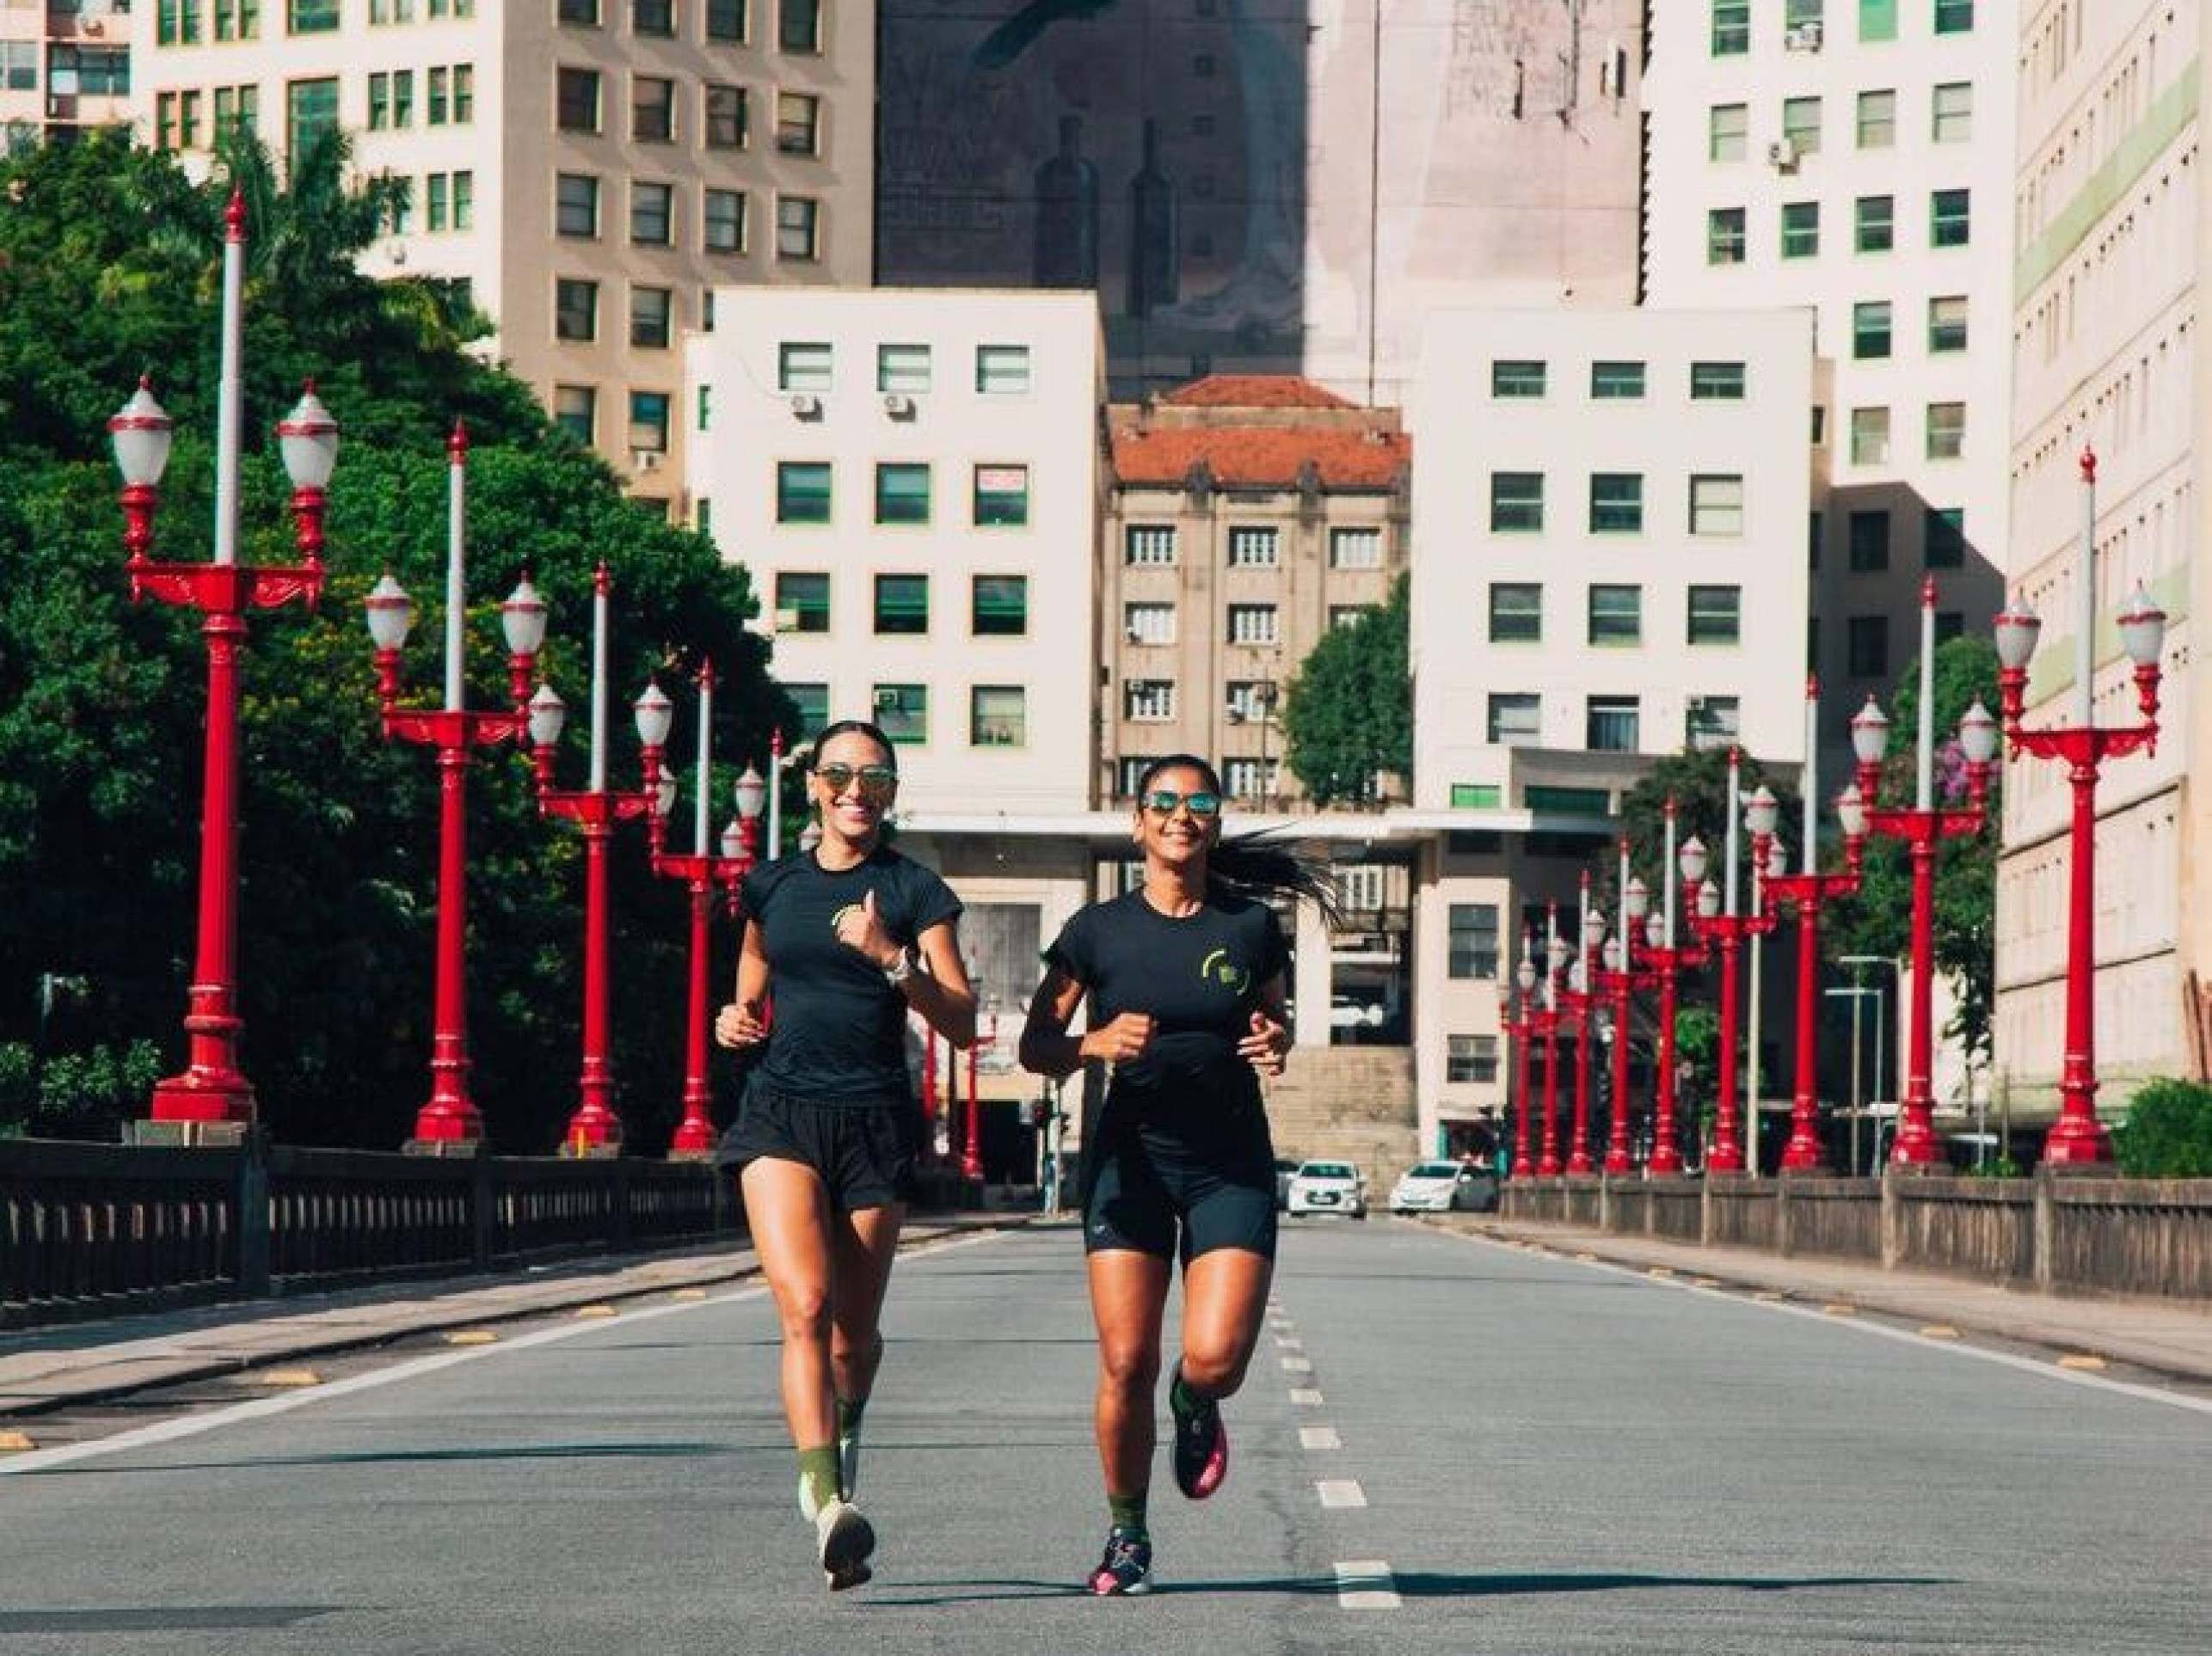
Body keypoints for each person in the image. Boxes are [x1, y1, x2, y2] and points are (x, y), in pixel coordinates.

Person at [1018, 754, 1336, 1596]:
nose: (1180, 813)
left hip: (1228, 1160)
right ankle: (1127, 1534)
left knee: (1215, 1357)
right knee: (1126, 1360)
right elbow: (1035, 1045)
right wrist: (1090, 1044)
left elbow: (1271, 1019)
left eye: (1199, 801)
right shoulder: (1096, 932)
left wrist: (1277, 1040)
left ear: (1215, 823)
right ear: (1137, 823)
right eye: (1163, 800)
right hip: (1131, 1161)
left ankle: (1194, 1406)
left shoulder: (1248, 929)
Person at [713, 721, 975, 1592]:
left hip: (873, 1124)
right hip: (780, 1115)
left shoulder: (913, 890)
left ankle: (844, 1447)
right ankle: (827, 1503)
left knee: (852, 1338)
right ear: (814, 785)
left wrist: (891, 959)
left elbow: (963, 1021)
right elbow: (752, 969)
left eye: (874, 775)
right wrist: (736, 1015)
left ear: (892, 791)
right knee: (806, 1305)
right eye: (839, 773)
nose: (855, 787)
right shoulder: (772, 884)